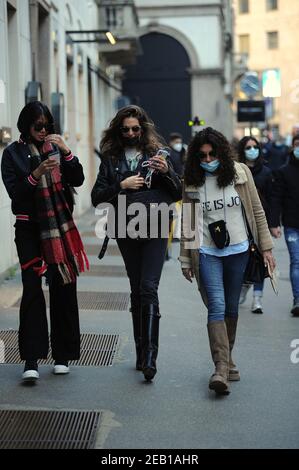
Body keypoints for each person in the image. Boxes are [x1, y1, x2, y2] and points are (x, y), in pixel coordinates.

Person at [179, 127, 275, 395]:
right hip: (207, 251)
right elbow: (188, 221)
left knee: (232, 305)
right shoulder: (192, 180)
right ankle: (221, 367)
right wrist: (185, 258)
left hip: (239, 249)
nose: (208, 161)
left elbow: (256, 210)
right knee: (217, 305)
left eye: (212, 155)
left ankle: (228, 359)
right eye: (202, 156)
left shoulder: (240, 173)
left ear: (222, 152)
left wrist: (266, 248)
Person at [91, 105, 182, 382]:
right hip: (127, 228)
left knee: (148, 287)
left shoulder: (157, 154)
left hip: (154, 225)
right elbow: (97, 197)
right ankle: (141, 352)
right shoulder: (111, 158)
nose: (131, 133)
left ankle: (151, 357)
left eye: (135, 128)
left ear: (143, 129)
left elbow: (177, 191)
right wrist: (122, 184)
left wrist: (166, 172)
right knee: (135, 289)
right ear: (119, 131)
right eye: (126, 129)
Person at [1, 101, 88, 382]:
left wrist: (67, 150)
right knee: (31, 289)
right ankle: (31, 358)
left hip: (58, 229)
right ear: (26, 125)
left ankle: (62, 355)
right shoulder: (12, 154)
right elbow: (16, 195)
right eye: (38, 126)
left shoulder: (56, 150)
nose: (43, 131)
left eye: (47, 126)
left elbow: (78, 179)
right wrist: (35, 174)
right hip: (28, 230)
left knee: (63, 286)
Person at [237, 136, 273, 314]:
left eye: (255, 147)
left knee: (261, 259)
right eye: (248, 147)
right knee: (243, 259)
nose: (252, 150)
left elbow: (272, 200)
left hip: (260, 222)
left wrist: (273, 224)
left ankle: (257, 298)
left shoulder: (266, 172)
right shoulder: (237, 171)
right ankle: (244, 285)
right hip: (241, 223)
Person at [269, 134, 299, 316]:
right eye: (297, 145)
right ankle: (298, 299)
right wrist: (274, 223)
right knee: (296, 261)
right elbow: (276, 198)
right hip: (292, 224)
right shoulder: (283, 172)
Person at [168, 132, 186, 243]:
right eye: (176, 142)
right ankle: (175, 234)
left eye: (180, 142)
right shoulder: (170, 154)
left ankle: (176, 234)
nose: (179, 144)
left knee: (178, 212)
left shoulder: (182, 153)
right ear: (171, 142)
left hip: (181, 184)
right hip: (175, 185)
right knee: (176, 212)